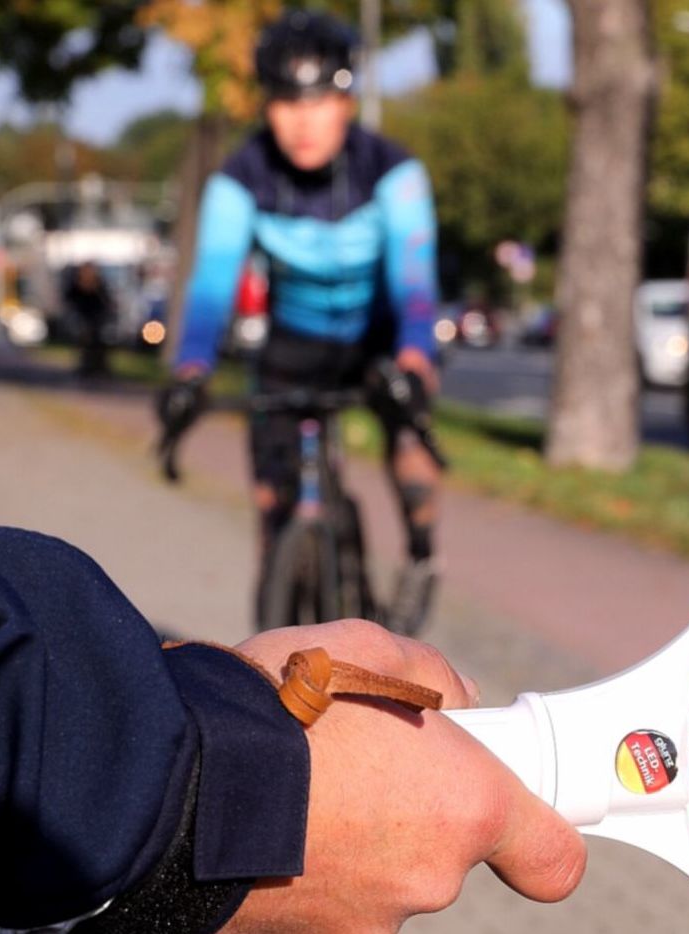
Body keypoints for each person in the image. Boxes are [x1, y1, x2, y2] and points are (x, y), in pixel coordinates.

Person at [0, 528, 585, 931]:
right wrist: (219, 782)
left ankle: (424, 526)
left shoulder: (382, 182)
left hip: (364, 361)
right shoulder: (253, 188)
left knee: (408, 445)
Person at [158, 11, 442, 634]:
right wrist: (191, 368)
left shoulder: (392, 173)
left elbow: (416, 291)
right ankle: (278, 629)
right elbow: (211, 287)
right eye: (285, 102)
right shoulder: (241, 180)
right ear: (266, 105)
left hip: (378, 338)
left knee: (412, 438)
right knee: (271, 504)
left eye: (319, 100)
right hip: (292, 344)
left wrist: (416, 361)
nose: (302, 120)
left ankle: (421, 557)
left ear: (347, 100)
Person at [66, 261, 115, 378]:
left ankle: (99, 366)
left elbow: (106, 300)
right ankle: (86, 366)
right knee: (85, 342)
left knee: (99, 343)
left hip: (97, 318)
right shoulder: (77, 285)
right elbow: (69, 298)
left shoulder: (98, 284)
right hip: (83, 317)